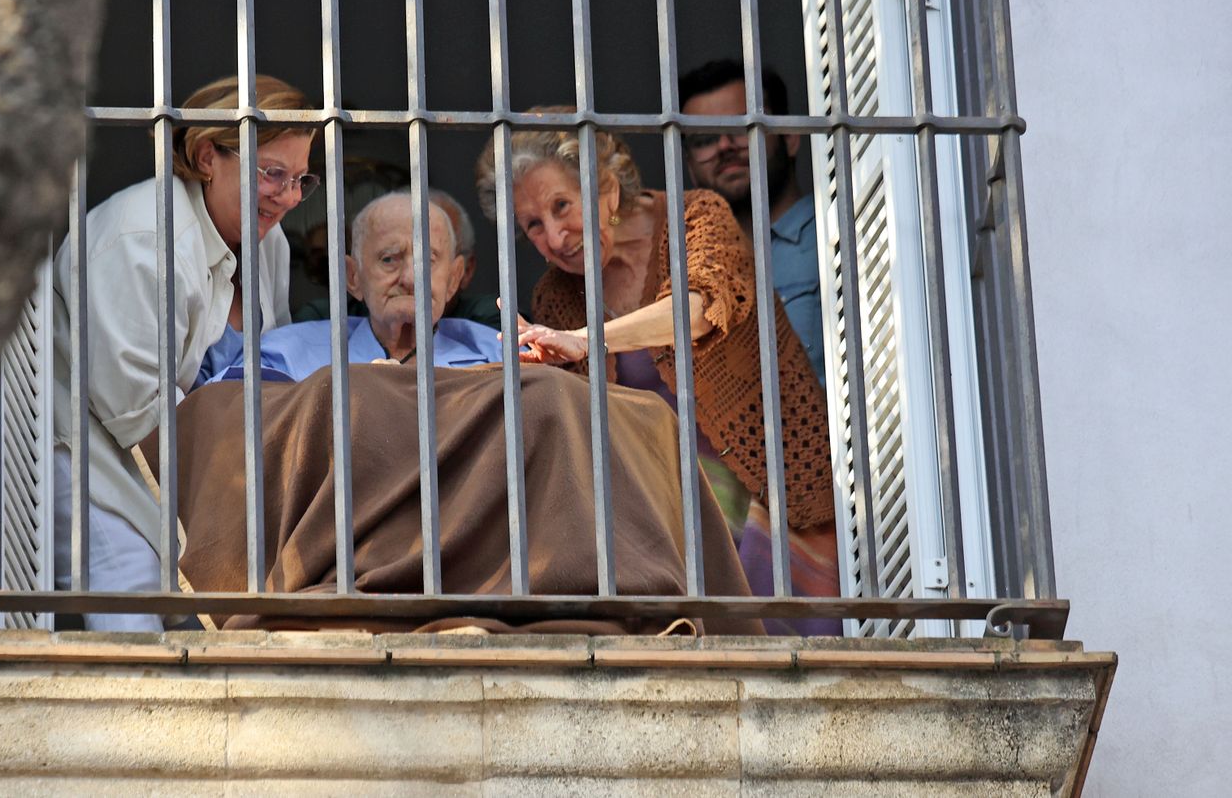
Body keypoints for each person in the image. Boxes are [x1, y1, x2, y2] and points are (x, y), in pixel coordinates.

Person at [475, 112, 841, 635]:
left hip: (774, 499)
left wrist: (585, 340)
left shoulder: (697, 218)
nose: (555, 236)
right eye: (533, 224)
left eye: (562, 205)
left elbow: (698, 310)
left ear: (604, 187)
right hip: (669, 532)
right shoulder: (555, 297)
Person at [50, 73, 317, 631]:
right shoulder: (146, 238)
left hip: (190, 477)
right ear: (205, 156)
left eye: (301, 179)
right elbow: (141, 414)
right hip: (96, 468)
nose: (290, 198)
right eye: (273, 174)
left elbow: (277, 367)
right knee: (138, 643)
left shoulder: (269, 243)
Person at [209, 192, 502, 382]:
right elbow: (220, 414)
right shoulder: (284, 356)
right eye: (389, 259)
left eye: (429, 260)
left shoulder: (501, 352)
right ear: (353, 277)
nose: (411, 278)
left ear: (453, 279)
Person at [680, 59, 826, 384]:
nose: (724, 147)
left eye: (742, 127)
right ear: (690, 166)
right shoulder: (687, 267)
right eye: (704, 140)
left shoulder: (841, 232)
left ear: (788, 137)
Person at [429, 191, 503, 330]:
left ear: (466, 270)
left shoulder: (491, 321)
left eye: (429, 259)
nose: (409, 275)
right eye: (390, 258)